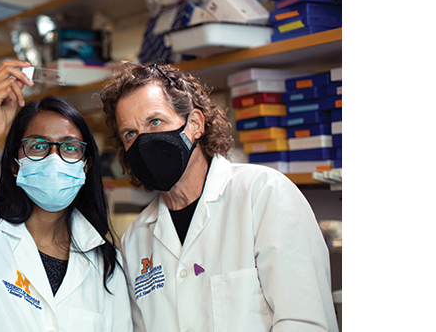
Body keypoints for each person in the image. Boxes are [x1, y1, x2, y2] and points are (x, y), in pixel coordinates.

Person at [98, 62, 339, 332]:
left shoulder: (263, 194)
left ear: (195, 124)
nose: (144, 141)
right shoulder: (135, 238)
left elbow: (305, 322)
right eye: (130, 134)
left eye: (155, 121)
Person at [0, 60, 132, 332]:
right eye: (38, 146)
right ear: (14, 163)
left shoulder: (107, 265)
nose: (54, 158)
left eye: (69, 147)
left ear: (86, 164)